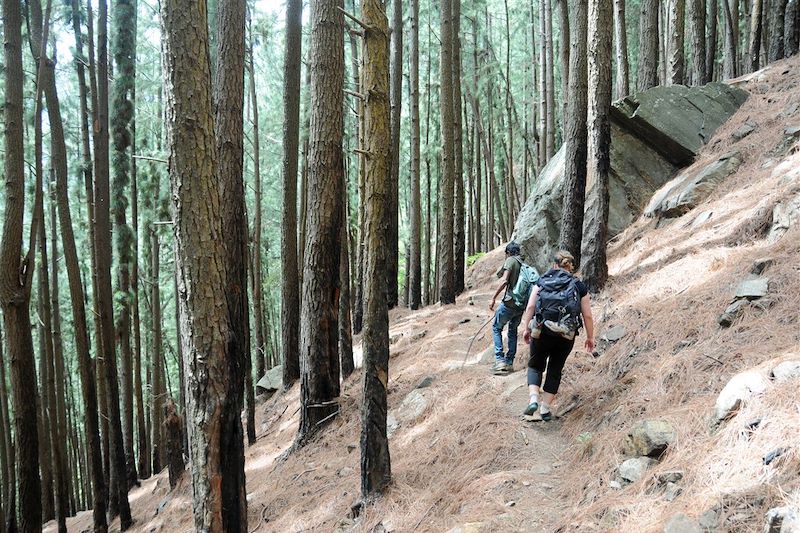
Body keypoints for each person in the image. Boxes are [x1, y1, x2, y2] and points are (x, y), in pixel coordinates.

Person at [520, 250, 595, 420]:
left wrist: (526, 328)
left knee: (535, 365)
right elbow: (588, 315)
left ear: (554, 264)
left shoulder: (542, 281)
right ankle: (545, 409)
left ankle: (533, 399)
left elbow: (531, 307)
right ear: (571, 265)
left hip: (541, 330)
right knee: (555, 369)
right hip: (566, 334)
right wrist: (590, 337)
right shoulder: (578, 285)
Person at [489, 242, 525, 375]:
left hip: (509, 303)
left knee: (496, 327)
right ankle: (509, 362)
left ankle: (500, 361)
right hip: (521, 305)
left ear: (508, 253)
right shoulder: (523, 263)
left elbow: (504, 281)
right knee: (512, 331)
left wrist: (493, 297)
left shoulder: (510, 260)